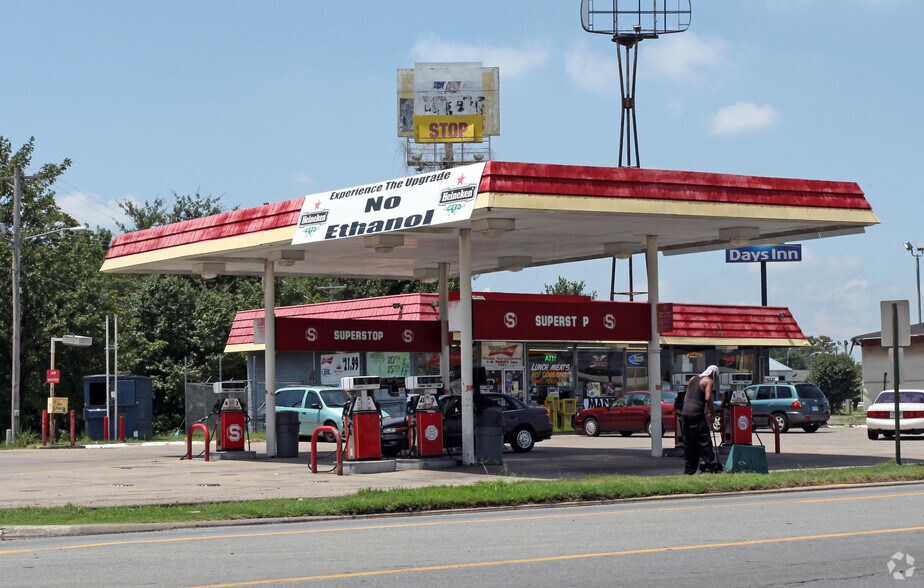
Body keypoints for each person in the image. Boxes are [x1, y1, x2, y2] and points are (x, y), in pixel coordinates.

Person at [680, 365, 723, 474]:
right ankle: (712, 466)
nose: (715, 379)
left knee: (689, 443)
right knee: (704, 440)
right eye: (715, 376)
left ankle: (689, 470)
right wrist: (712, 413)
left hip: (685, 413)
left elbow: (686, 397)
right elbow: (708, 397)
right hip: (696, 413)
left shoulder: (693, 379)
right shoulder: (708, 381)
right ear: (713, 373)